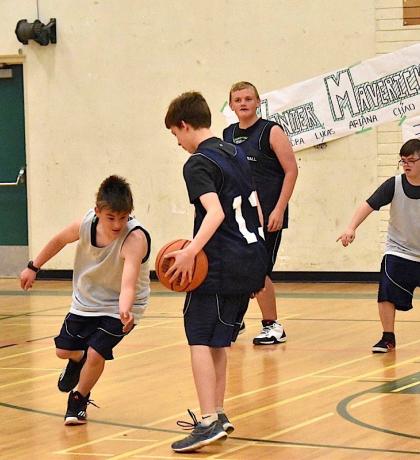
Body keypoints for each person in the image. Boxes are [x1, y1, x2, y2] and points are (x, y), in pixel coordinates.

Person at [164, 91, 267, 452]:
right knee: (219, 340)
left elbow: (216, 213)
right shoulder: (234, 150)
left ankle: (207, 422)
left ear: (184, 125)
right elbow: (251, 204)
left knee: (198, 339)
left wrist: (191, 251)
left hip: (221, 263)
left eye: (175, 134)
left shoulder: (197, 163)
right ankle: (218, 414)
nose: (177, 142)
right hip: (251, 258)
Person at [20, 175, 151, 424]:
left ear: (130, 213)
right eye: (111, 218)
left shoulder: (135, 239)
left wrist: (125, 310)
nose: (116, 224)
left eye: (123, 218)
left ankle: (78, 400)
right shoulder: (85, 224)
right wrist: (33, 267)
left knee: (96, 353)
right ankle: (75, 361)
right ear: (98, 211)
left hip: (121, 306)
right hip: (87, 299)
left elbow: (128, 283)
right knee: (63, 350)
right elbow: (58, 240)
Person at [223, 81, 298, 345]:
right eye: (237, 99)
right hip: (241, 218)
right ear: (231, 105)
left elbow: (291, 170)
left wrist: (279, 208)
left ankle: (273, 325)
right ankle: (235, 320)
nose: (243, 103)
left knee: (258, 271)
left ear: (257, 102)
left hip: (269, 215)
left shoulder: (271, 131)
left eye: (248, 98)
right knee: (235, 267)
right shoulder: (227, 134)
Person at [337, 138, 420, 353]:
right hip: (400, 249)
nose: (407, 165)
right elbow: (369, 204)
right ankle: (388, 337)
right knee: (386, 288)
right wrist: (350, 228)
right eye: (403, 161)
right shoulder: (394, 184)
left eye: (411, 160)